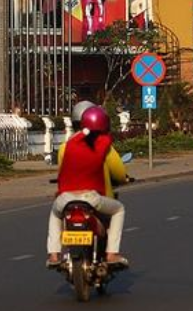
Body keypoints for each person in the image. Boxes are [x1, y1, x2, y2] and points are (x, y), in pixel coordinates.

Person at [47, 105, 130, 268]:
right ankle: (112, 253)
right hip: (91, 197)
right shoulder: (104, 146)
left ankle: (54, 254)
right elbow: (119, 173)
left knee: (55, 214)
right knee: (119, 209)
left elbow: (62, 171)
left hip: (66, 198)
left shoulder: (68, 146)